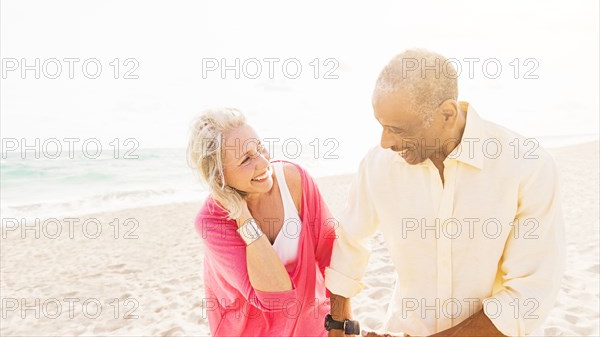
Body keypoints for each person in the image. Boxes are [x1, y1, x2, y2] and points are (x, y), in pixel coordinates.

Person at [325, 49, 565, 337]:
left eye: (397, 129)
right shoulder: (377, 165)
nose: (385, 141)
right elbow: (350, 240)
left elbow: (529, 295)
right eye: (381, 125)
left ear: (447, 114)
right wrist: (338, 324)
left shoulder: (527, 164)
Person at [187, 108, 336, 336]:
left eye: (260, 148)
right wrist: (242, 214)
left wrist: (341, 322)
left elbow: (330, 254)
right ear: (219, 176)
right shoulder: (212, 220)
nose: (264, 162)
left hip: (312, 326)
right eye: (246, 158)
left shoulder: (294, 181)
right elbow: (276, 297)